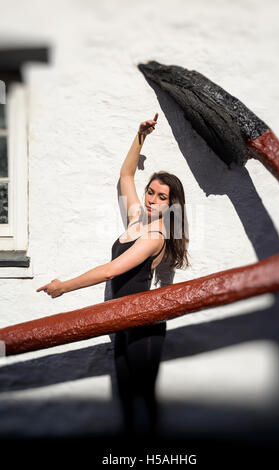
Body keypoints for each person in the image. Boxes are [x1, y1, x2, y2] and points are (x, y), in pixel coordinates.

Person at [36, 112, 190, 435]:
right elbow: (126, 174)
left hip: (142, 324)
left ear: (171, 206)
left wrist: (64, 287)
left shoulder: (154, 237)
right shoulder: (137, 220)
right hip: (122, 321)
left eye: (161, 198)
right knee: (127, 401)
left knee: (144, 401)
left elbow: (111, 270)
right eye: (151, 192)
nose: (152, 199)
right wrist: (140, 136)